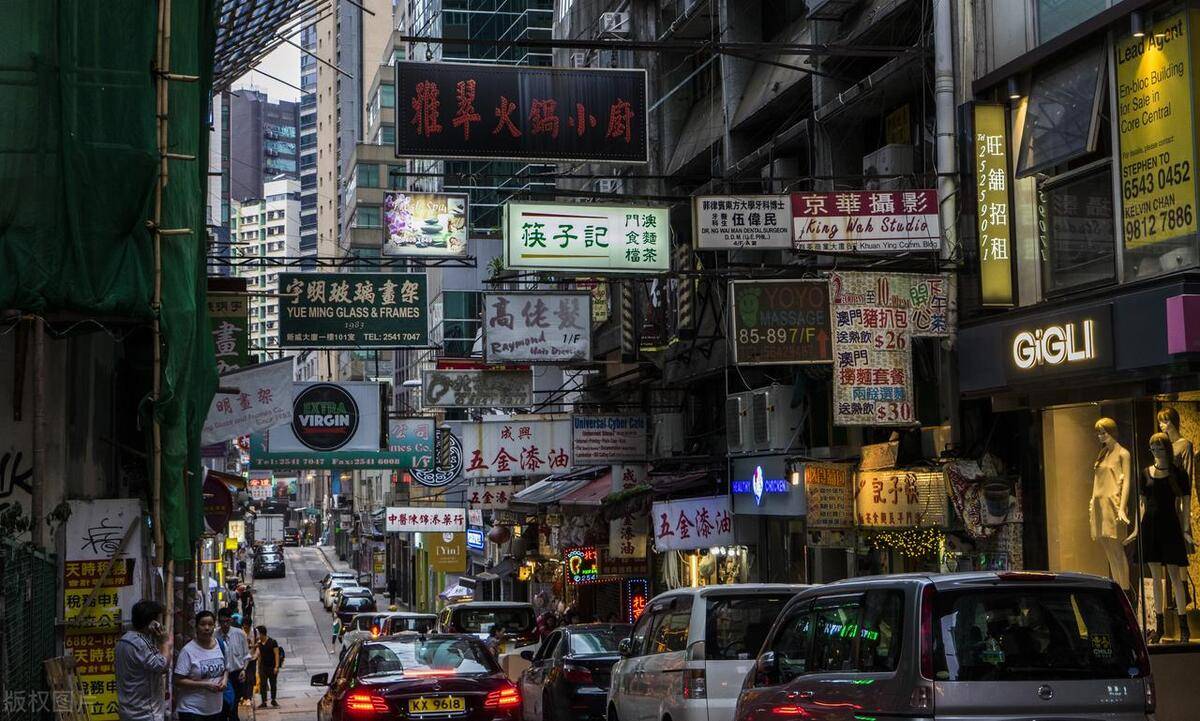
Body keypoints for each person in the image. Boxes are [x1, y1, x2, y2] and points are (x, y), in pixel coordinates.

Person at [115, 599, 171, 721]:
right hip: (145, 713)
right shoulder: (140, 643)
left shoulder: (123, 641)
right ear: (153, 622)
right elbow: (162, 665)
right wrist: (165, 642)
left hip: (128, 711)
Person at [175, 610, 229, 721]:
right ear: (196, 627)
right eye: (203, 624)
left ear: (214, 626)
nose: (207, 628)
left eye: (210, 624)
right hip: (192, 710)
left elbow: (226, 668)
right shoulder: (188, 651)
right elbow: (178, 680)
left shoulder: (221, 645)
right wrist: (204, 685)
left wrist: (224, 681)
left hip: (215, 709)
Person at [217, 608, 250, 720]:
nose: (225, 624)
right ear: (219, 621)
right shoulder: (215, 635)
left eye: (227, 621)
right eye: (222, 621)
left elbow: (246, 655)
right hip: (221, 676)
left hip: (236, 674)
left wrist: (244, 670)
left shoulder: (240, 634)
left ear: (231, 620)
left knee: (234, 704)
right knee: (224, 705)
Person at [255, 625, 283, 708]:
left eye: (257, 633)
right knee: (263, 684)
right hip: (263, 667)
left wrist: (277, 666)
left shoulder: (273, 642)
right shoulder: (259, 644)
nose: (256, 635)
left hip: (272, 666)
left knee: (273, 684)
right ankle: (264, 701)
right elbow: (259, 656)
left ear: (261, 634)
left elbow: (276, 654)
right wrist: (258, 667)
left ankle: (273, 700)